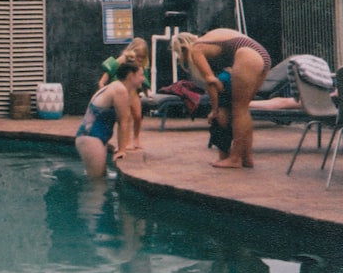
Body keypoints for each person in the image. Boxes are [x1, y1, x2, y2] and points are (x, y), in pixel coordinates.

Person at [170, 28, 272, 169]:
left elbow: (211, 81)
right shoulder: (209, 40)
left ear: (183, 49)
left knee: (238, 109)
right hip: (262, 55)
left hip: (247, 54)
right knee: (243, 109)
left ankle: (235, 159)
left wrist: (214, 109)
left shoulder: (196, 49)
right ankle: (246, 158)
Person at [75, 60, 146, 178]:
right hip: (91, 138)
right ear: (130, 75)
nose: (143, 79)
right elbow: (123, 121)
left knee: (99, 178)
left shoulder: (114, 87)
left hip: (90, 137)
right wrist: (122, 150)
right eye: (141, 75)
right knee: (96, 185)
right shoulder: (119, 90)